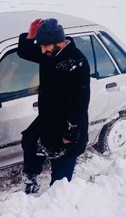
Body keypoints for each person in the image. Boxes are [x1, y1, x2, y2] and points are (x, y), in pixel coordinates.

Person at [17, 17, 91, 193]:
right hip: (48, 118)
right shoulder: (49, 54)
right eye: (40, 45)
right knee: (30, 141)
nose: (41, 50)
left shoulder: (76, 63)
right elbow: (24, 52)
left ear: (58, 42)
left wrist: (70, 134)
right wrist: (30, 35)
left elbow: (80, 103)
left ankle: (56, 201)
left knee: (61, 172)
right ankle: (30, 177)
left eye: (44, 46)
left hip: (68, 125)